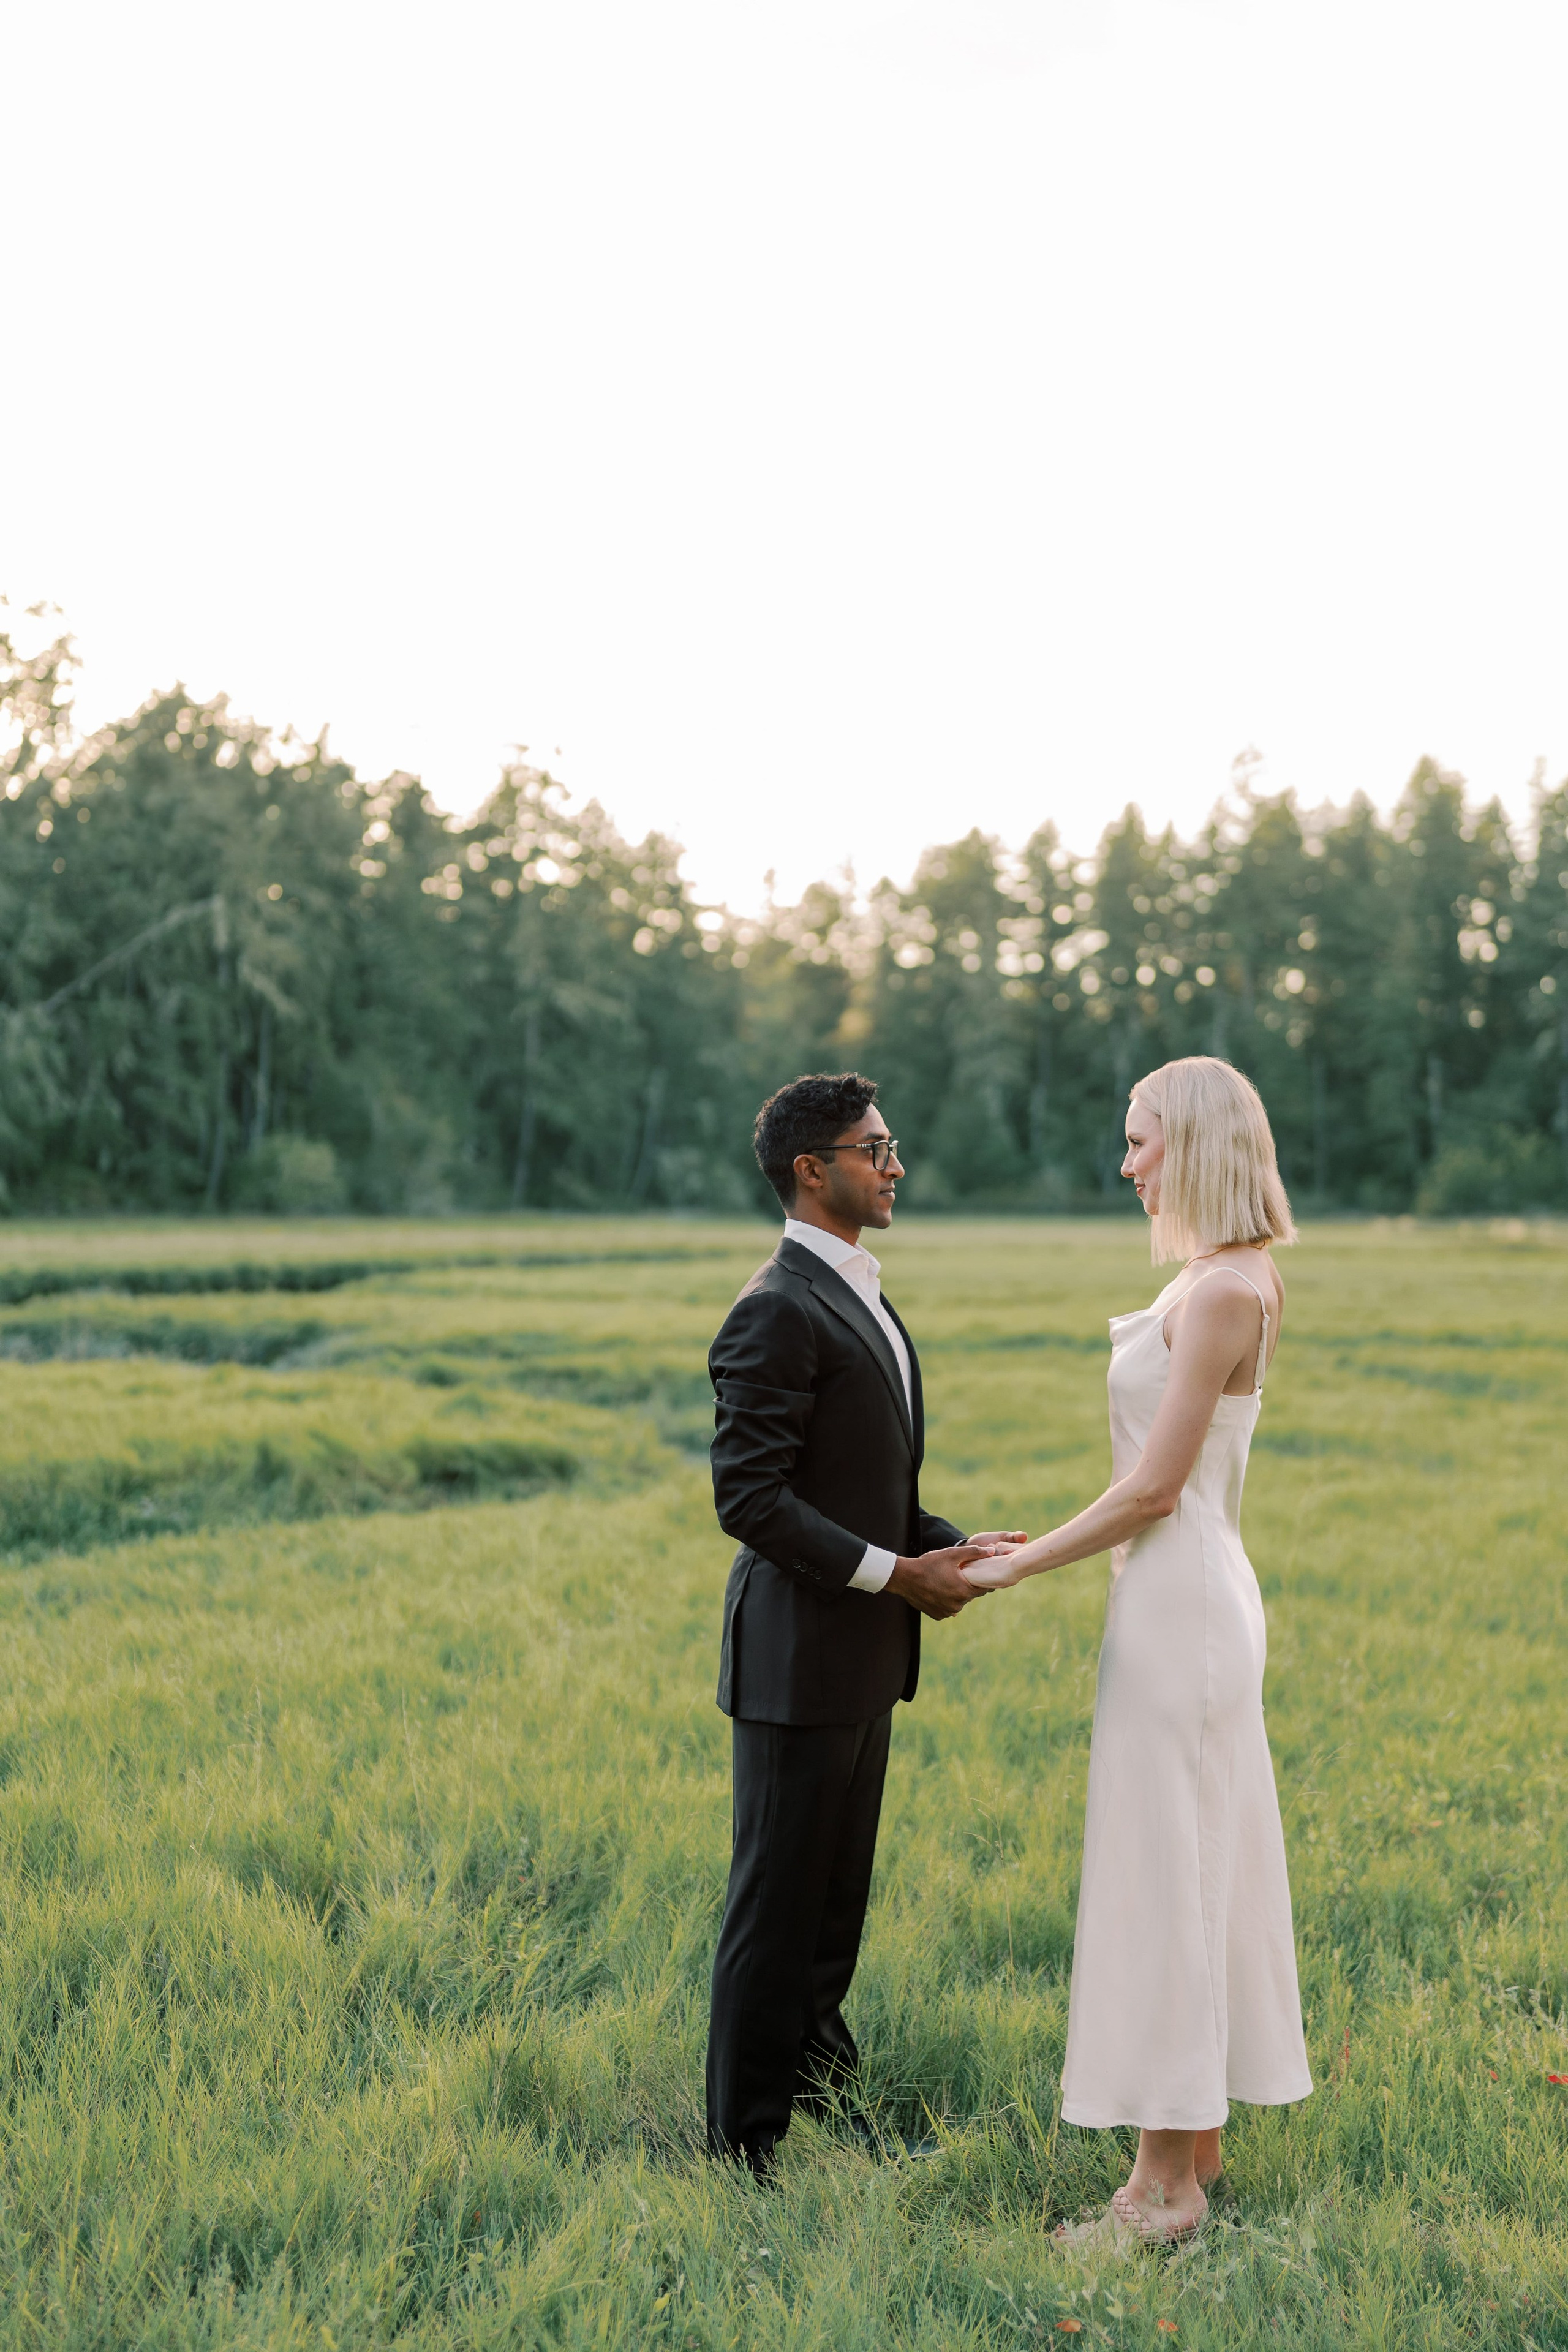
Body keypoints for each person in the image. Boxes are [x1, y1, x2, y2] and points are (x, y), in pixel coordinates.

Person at [965, 1055, 1313, 2241]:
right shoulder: (1220, 1280)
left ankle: (1160, 2194)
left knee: (1174, 1879)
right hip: (1175, 1604)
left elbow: (1154, 1489)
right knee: (1194, 1866)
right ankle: (1196, 2148)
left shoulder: (1224, 1293)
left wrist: (1011, 1565)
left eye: (1141, 1142)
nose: (1126, 1165)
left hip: (1186, 1609)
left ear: (1199, 1145)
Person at [704, 1071, 1021, 2176]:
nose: (894, 1166)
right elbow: (749, 1499)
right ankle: (741, 2151)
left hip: (862, 1657)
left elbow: (855, 1484)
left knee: (833, 1909)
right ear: (812, 1169)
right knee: (774, 1911)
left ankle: (832, 2105)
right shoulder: (774, 1306)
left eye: (892, 1147)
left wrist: (949, 1542)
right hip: (797, 1659)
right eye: (874, 1149)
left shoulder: (863, 1292)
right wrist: (900, 1575)